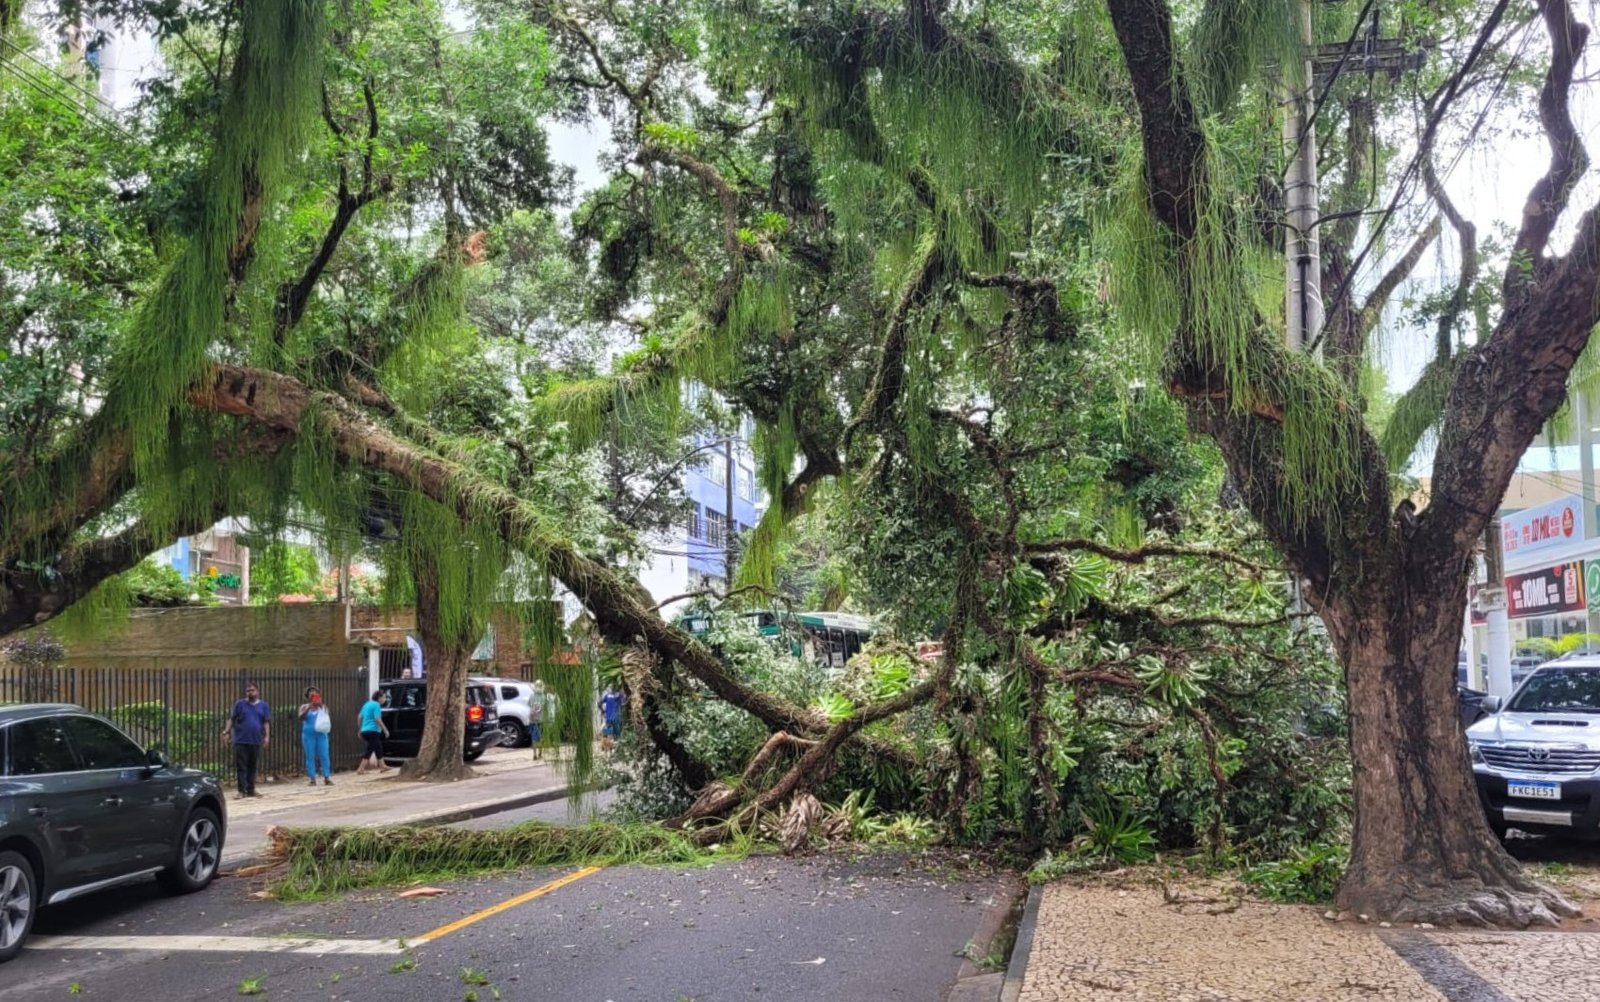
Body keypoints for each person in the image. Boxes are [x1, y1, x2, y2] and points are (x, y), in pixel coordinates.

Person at [221, 682, 271, 798]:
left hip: (255, 740)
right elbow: (232, 719)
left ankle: (251, 789)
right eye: (248, 691)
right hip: (241, 740)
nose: (250, 693)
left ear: (257, 691)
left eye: (252, 690)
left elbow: (266, 722)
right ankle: (241, 790)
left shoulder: (263, 705)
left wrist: (267, 736)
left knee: (252, 766)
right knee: (241, 766)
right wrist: (226, 732)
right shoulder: (240, 704)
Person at [297, 686, 333, 787]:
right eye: (311, 693)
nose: (313, 694)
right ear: (307, 696)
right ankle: (312, 778)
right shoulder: (304, 707)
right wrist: (309, 706)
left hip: (321, 735)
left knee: (324, 755)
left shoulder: (323, 707)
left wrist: (320, 705)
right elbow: (300, 717)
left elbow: (327, 716)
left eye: (315, 693)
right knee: (310, 756)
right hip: (308, 735)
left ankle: (327, 777)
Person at [357, 689, 391, 774]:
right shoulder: (376, 705)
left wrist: (360, 729)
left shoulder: (367, 704)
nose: (385, 699)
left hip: (365, 731)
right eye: (384, 697)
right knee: (370, 749)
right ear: (379, 698)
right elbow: (377, 719)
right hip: (373, 730)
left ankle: (382, 766)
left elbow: (359, 717)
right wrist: (385, 729)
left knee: (378, 747)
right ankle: (361, 769)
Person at [598, 684, 624, 752]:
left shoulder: (607, 696)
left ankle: (606, 749)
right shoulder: (620, 696)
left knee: (608, 734)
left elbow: (599, 703)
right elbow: (623, 704)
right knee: (617, 735)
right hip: (616, 718)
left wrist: (603, 711)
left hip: (608, 718)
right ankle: (615, 750)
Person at [528, 680, 545, 760]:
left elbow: (528, 704)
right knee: (541, 737)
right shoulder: (544, 696)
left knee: (534, 737)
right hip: (541, 720)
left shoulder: (531, 696)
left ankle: (534, 754)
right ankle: (540, 753)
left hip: (532, 719)